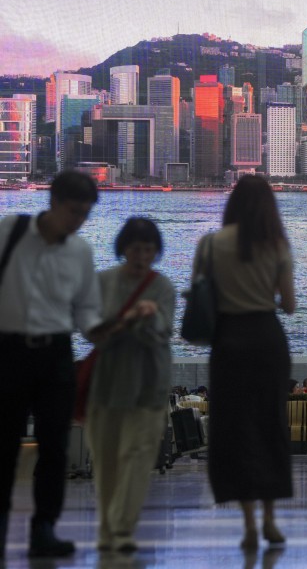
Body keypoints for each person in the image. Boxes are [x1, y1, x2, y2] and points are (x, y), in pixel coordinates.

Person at [0, 171, 104, 559]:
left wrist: (107, 336)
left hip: (56, 355)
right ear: (54, 202)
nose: (79, 221)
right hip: (8, 350)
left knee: (55, 446)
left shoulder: (80, 252)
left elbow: (87, 311)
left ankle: (44, 526)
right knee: (4, 443)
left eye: (86, 214)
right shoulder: (10, 232)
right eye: (75, 211)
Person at [193, 175, 296, 551]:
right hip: (267, 339)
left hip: (228, 341)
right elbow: (289, 304)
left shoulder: (210, 245)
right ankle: (271, 519)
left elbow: (200, 294)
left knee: (234, 428)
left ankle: (249, 522)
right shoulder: (277, 246)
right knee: (269, 423)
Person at [87, 217, 175, 553]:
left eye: (149, 250)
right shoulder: (103, 281)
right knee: (106, 458)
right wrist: (124, 322)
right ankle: (108, 528)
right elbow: (91, 329)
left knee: (137, 456)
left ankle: (122, 527)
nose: (142, 257)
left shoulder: (162, 287)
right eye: (136, 249)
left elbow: (164, 331)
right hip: (108, 381)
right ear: (124, 248)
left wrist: (149, 317)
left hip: (149, 384)